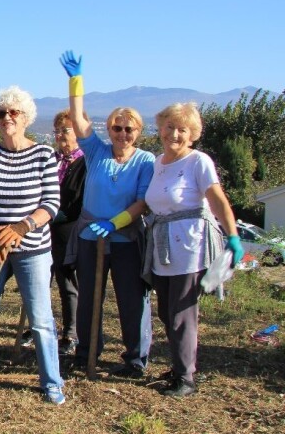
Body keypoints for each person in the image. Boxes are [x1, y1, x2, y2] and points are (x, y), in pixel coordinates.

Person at [0, 85, 65, 405]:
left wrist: (20, 228)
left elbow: (51, 204)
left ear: (26, 117)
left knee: (40, 318)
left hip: (32, 249)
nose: (7, 118)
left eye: (13, 112)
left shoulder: (44, 154)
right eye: (1, 113)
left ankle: (51, 381)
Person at [60, 51, 155, 378]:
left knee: (132, 300)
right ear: (109, 128)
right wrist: (76, 80)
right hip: (90, 237)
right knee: (89, 298)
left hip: (126, 238)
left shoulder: (145, 161)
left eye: (129, 129)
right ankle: (86, 351)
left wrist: (114, 223)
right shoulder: (96, 151)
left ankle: (135, 359)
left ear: (138, 131)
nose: (122, 134)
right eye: (117, 127)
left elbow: (142, 203)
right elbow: (77, 119)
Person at [144, 102, 244, 397]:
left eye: (182, 129)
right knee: (166, 311)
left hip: (190, 246)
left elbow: (217, 200)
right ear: (160, 128)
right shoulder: (158, 163)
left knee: (182, 314)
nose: (174, 134)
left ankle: (185, 378)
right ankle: (179, 365)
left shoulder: (198, 161)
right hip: (162, 246)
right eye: (169, 127)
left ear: (192, 134)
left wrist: (233, 236)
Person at [49, 109, 87, 355]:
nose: (60, 135)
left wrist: (60, 214)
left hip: (70, 231)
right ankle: (41, 328)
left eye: (66, 130)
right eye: (57, 131)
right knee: (41, 282)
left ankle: (71, 333)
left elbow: (80, 199)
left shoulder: (85, 162)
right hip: (46, 230)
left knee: (67, 283)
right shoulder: (52, 160)